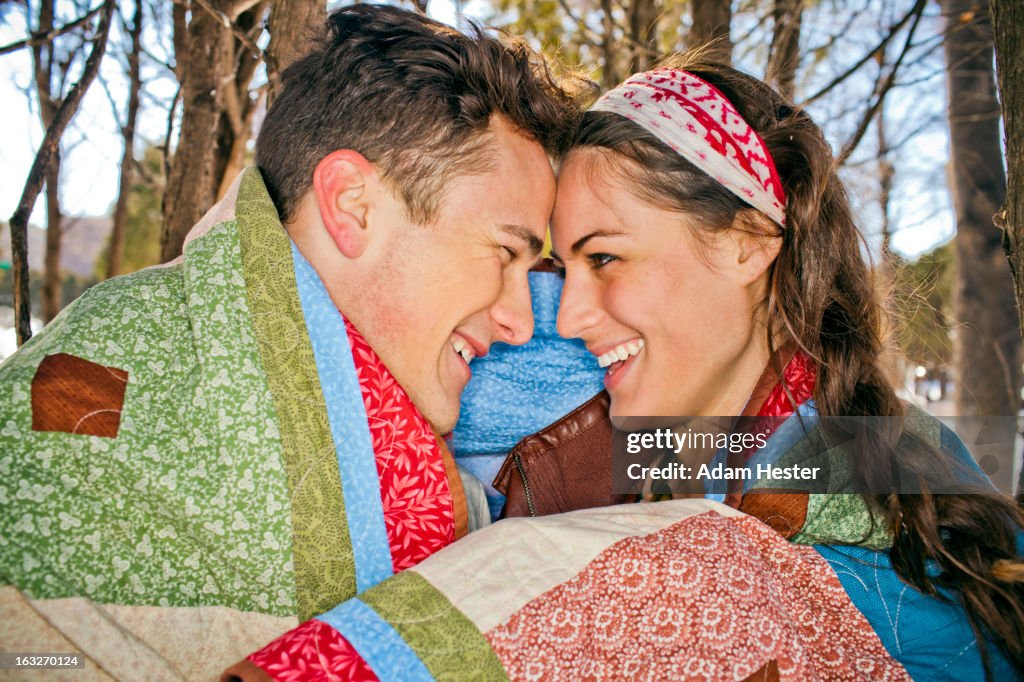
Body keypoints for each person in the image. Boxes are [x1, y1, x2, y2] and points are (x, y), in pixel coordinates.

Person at [226, 57, 1023, 681]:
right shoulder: (547, 375)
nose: (566, 316)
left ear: (747, 243)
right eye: (560, 266)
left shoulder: (898, 478)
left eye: (605, 257)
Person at [0, 5, 582, 678]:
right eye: (506, 253)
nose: (521, 319)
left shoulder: (463, 375)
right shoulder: (99, 371)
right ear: (353, 205)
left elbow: (700, 452)